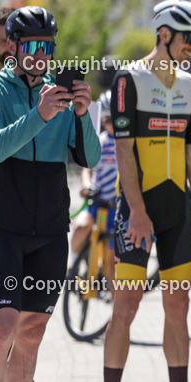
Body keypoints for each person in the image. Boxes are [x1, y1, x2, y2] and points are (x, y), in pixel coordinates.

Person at [0, 6, 101, 382]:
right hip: (1, 228)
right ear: (12, 46)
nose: (42, 56)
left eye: (49, 47)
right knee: (2, 328)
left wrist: (82, 115)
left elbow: (89, 157)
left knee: (32, 332)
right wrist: (40, 116)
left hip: (49, 230)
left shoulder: (61, 98)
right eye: (33, 47)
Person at [100, 0, 191, 382]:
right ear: (164, 34)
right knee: (127, 304)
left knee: (177, 304)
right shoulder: (128, 79)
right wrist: (136, 211)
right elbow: (122, 149)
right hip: (136, 208)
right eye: (189, 38)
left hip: (177, 210)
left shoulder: (190, 85)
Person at [68, 90, 118, 267]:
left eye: (114, 119)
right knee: (80, 227)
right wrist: (87, 186)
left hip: (119, 206)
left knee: (114, 257)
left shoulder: (128, 143)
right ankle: (73, 264)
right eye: (106, 120)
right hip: (98, 201)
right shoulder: (99, 141)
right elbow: (87, 169)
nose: (110, 124)